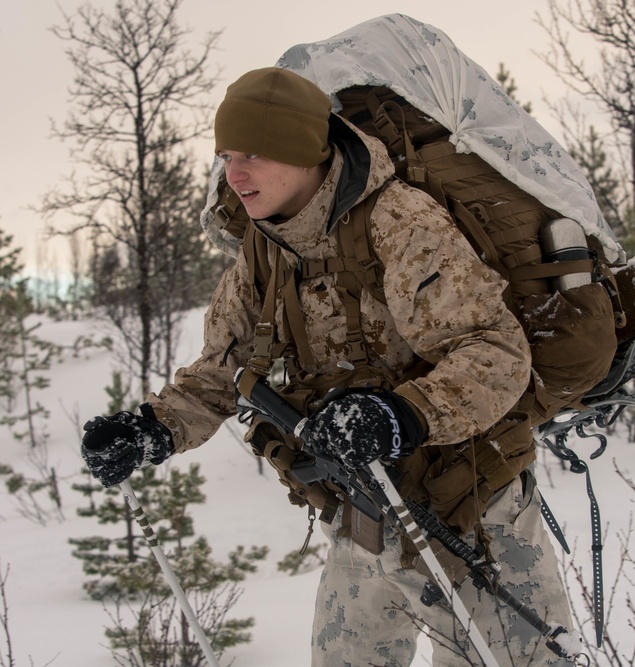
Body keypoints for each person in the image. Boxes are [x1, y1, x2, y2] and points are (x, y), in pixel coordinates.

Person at [81, 66, 581, 666]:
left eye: (254, 154)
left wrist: (400, 414)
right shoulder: (263, 248)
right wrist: (153, 427)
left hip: (470, 511)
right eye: (227, 156)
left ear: (303, 150)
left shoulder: (401, 222)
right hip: (361, 514)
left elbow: (494, 353)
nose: (234, 175)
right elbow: (223, 368)